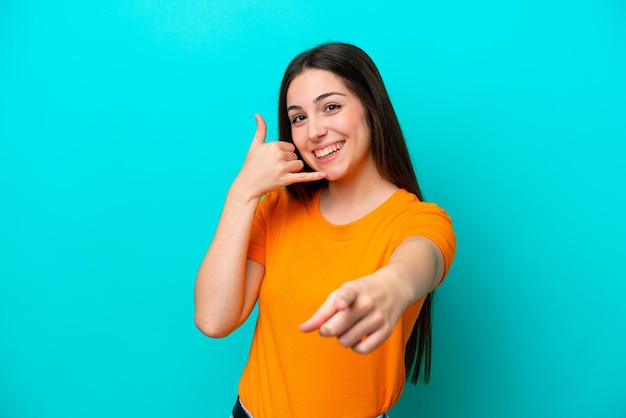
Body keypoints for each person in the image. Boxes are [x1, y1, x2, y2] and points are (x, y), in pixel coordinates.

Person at [194, 42, 456, 418]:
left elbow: (422, 260)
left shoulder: (418, 220)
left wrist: (392, 285)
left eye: (330, 107)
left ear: (371, 109)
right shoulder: (277, 209)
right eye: (298, 118)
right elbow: (213, 319)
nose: (313, 131)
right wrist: (242, 193)